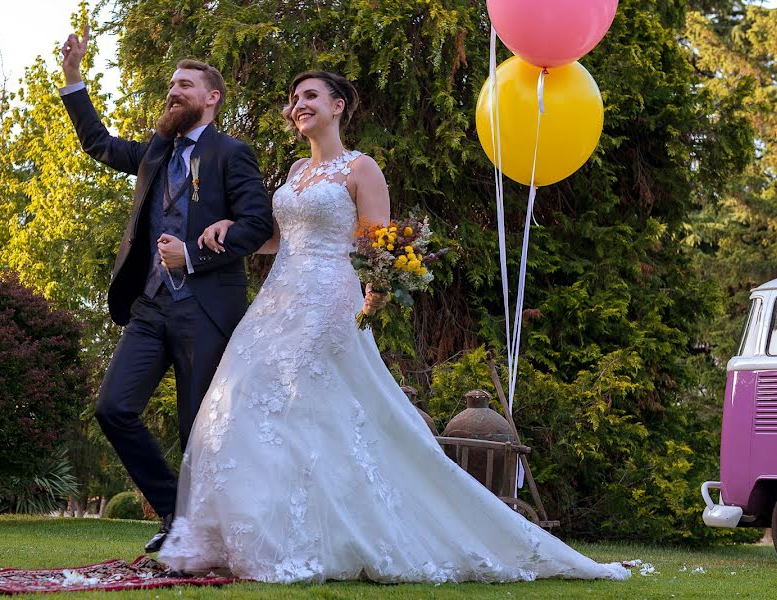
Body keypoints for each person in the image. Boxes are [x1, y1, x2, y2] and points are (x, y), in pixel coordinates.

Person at [157, 71, 628, 583]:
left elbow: (376, 245)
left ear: (338, 106)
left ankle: (310, 538)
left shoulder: (361, 169)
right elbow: (277, 237)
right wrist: (230, 228)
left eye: (310, 96)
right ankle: (253, 535)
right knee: (242, 400)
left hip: (328, 302)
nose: (298, 105)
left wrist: (374, 295)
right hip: (277, 300)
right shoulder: (294, 172)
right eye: (293, 99)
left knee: (302, 407)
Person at [58, 27, 273, 552]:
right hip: (149, 306)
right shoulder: (156, 150)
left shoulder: (231, 153)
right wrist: (72, 78)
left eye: (185, 85)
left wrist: (195, 256)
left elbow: (257, 222)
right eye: (171, 85)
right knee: (113, 408)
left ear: (211, 97)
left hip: (205, 309)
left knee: (195, 427)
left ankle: (205, 532)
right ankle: (178, 513)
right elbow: (100, 144)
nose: (173, 92)